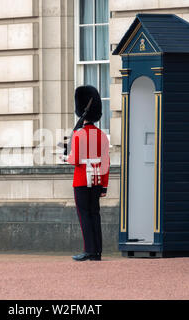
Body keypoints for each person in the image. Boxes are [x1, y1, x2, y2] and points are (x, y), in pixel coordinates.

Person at [65, 85, 110, 261]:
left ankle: (89, 250)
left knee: (84, 216)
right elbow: (106, 162)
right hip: (98, 180)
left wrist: (65, 157)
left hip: (82, 181)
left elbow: (74, 160)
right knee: (95, 215)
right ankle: (97, 251)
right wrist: (104, 186)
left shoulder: (78, 134)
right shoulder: (102, 135)